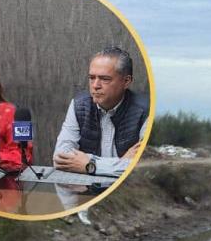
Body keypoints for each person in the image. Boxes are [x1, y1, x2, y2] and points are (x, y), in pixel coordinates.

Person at [53, 46, 149, 176]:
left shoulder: (145, 112)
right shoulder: (79, 105)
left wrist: (89, 165)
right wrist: (122, 163)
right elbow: (59, 158)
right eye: (92, 78)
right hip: (85, 191)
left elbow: (143, 166)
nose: (95, 85)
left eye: (105, 79)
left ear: (126, 81)